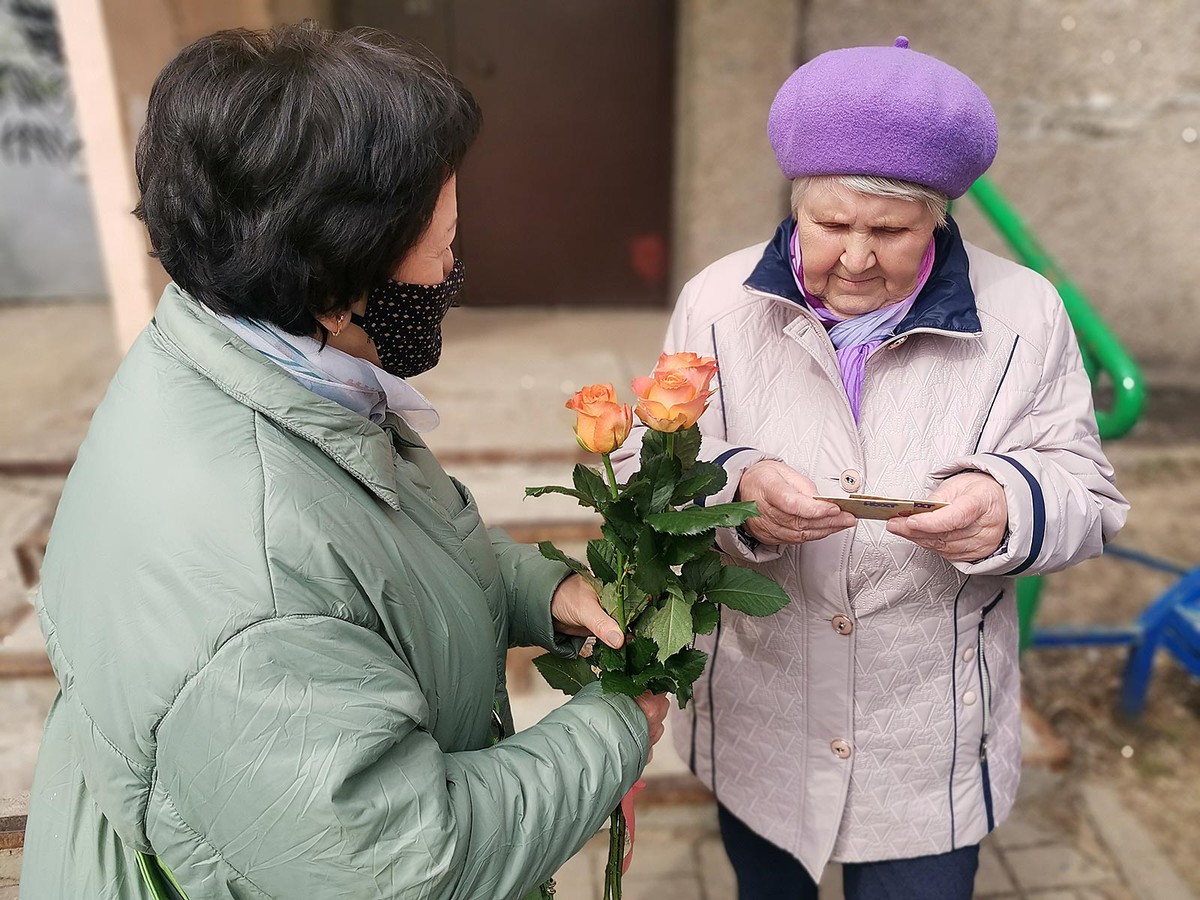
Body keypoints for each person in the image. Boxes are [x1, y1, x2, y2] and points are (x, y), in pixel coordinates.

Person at [20, 23, 668, 900]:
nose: (454, 266)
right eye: (441, 242)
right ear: (332, 281)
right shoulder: (255, 587)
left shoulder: (238, 362)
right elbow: (409, 865)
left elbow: (376, 558)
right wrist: (617, 725)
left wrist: (532, 591)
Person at [613, 36, 1127, 900]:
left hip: (926, 735)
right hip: (763, 717)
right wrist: (737, 490)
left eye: (890, 232)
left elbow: (1089, 492)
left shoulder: (1024, 312)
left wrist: (1007, 505)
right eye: (830, 225)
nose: (856, 258)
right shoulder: (718, 301)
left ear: (939, 219)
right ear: (793, 203)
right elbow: (646, 459)